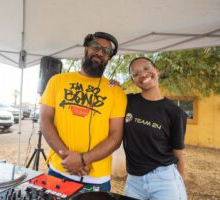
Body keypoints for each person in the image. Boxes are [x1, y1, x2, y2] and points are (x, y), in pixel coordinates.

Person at [39, 32, 127, 191]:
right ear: (86, 48)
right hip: (60, 169)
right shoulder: (57, 81)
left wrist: (83, 160)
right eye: (96, 47)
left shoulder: (116, 92)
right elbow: (45, 120)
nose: (100, 52)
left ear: (108, 58)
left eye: (106, 51)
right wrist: (67, 157)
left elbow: (116, 136)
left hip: (96, 178)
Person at [123, 57, 187, 200]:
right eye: (136, 73)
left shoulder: (175, 113)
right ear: (133, 80)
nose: (143, 74)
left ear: (156, 70)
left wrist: (178, 184)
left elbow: (179, 155)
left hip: (164, 179)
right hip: (134, 181)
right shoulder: (127, 102)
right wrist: (112, 86)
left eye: (146, 68)